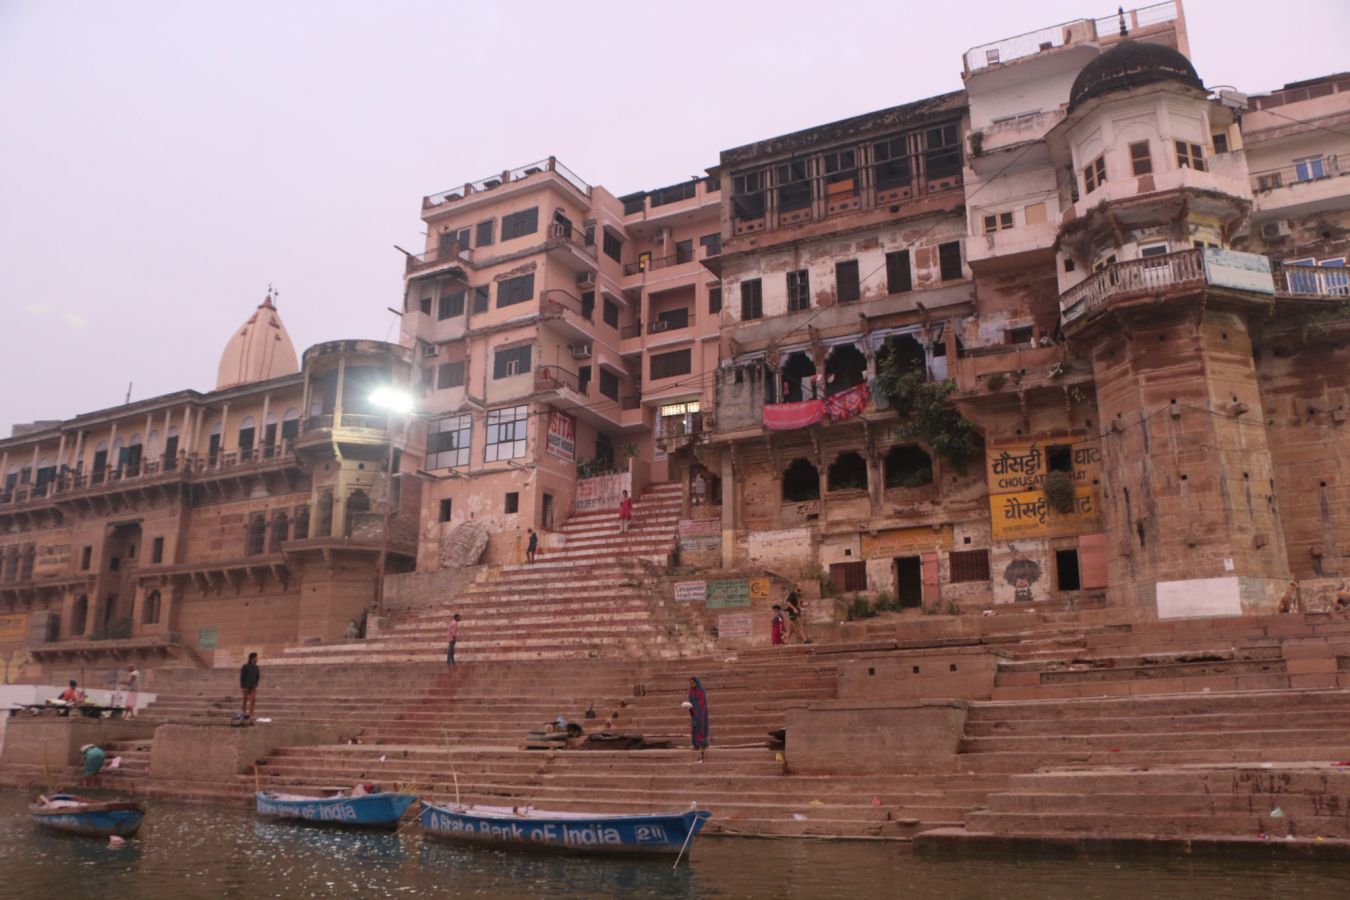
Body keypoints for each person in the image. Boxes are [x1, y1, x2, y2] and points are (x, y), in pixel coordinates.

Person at [686, 677, 709, 763]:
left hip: (701, 713)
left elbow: (702, 703)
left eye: (693, 683)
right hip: (694, 713)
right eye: (690, 683)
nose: (691, 685)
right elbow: (691, 702)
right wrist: (689, 707)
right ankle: (696, 745)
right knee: (694, 728)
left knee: (701, 728)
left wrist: (699, 713)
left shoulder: (700, 691)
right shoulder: (691, 691)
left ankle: (702, 745)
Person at [240, 652, 260, 719]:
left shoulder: (256, 667)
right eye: (256, 658)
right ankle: (243, 713)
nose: (257, 659)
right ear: (253, 658)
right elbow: (242, 677)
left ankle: (251, 715)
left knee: (252, 701)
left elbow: (258, 677)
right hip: (246, 687)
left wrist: (255, 684)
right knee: (244, 700)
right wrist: (242, 686)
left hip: (253, 687)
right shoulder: (245, 666)